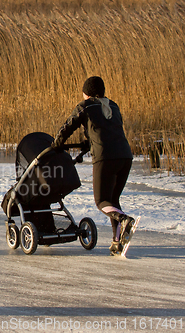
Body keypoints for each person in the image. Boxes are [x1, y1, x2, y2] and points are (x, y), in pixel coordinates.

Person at [51, 76, 135, 255]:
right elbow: (104, 130)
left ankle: (124, 219)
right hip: (125, 157)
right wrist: (89, 141)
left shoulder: (85, 106)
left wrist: (57, 144)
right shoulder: (113, 106)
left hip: (106, 158)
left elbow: (68, 126)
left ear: (86, 93)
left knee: (101, 202)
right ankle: (116, 242)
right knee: (113, 201)